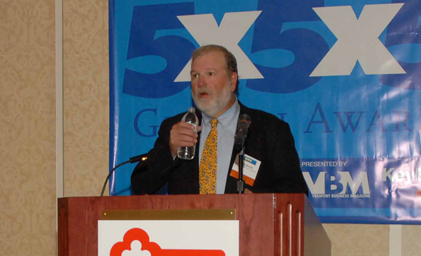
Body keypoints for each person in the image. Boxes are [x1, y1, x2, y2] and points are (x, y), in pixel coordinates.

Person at [130, 45, 309, 196]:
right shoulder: (177, 127)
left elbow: (296, 191)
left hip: (246, 226)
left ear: (232, 80)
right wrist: (170, 151)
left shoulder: (269, 129)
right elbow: (140, 186)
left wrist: (259, 201)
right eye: (195, 75)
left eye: (210, 74)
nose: (200, 83)